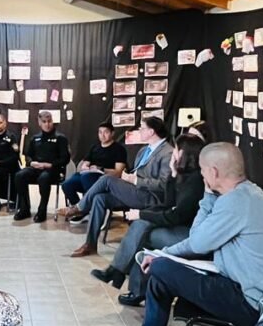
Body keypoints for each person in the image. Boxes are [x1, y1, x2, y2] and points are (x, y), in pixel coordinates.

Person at [107, 143, 263, 326]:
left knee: (160, 269)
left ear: (213, 172)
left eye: (203, 170)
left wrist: (160, 256)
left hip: (250, 304)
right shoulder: (248, 194)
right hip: (251, 290)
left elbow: (196, 242)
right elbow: (199, 239)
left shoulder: (236, 203)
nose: (201, 175)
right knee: (161, 274)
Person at [90, 134, 205, 305]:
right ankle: (127, 281)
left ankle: (123, 277)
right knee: (141, 226)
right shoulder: (182, 176)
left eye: (176, 150)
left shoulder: (195, 182)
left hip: (189, 235)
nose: (172, 153)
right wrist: (173, 175)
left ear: (183, 154)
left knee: (143, 233)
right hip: (178, 225)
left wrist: (142, 214)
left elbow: (177, 216)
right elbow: (168, 203)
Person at [59, 116, 172, 257]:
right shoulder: (144, 150)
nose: (139, 131)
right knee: (100, 198)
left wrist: (134, 180)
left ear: (151, 131)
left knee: (107, 179)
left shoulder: (167, 152)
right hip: (134, 191)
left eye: (142, 128)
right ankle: (90, 244)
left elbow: (163, 185)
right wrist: (129, 178)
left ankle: (78, 208)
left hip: (150, 197)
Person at [13, 111, 71, 222]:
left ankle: (42, 210)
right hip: (36, 168)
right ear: (39, 123)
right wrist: (31, 163)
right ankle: (24, 209)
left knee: (43, 178)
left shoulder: (60, 138)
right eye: (44, 122)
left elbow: (65, 158)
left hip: (53, 170)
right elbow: (28, 155)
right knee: (19, 175)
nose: (47, 124)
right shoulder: (35, 138)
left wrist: (50, 165)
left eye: (49, 121)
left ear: (52, 121)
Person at [60, 121, 127, 207]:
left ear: (112, 133)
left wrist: (101, 169)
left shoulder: (119, 149)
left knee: (86, 177)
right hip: (89, 175)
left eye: (106, 132)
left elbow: (118, 172)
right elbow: (85, 163)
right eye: (100, 132)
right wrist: (85, 167)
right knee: (67, 184)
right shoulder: (95, 147)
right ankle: (80, 210)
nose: (102, 135)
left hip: (105, 178)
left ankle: (88, 208)